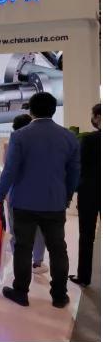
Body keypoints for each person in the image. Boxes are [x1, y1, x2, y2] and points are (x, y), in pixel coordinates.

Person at [0, 92, 80, 308]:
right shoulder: (69, 137)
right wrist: (67, 196)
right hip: (54, 203)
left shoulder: (20, 136)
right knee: (58, 249)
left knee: (23, 247)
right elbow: (74, 173)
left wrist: (0, 194)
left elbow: (10, 170)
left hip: (24, 202)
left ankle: (21, 292)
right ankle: (59, 296)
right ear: (53, 110)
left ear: (31, 111)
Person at [4, 114, 49, 274]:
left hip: (16, 193)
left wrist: (1, 192)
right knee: (39, 229)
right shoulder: (42, 143)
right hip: (39, 192)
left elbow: (8, 170)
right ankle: (37, 262)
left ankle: (19, 261)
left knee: (16, 229)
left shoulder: (10, 143)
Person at [69, 103, 101, 288]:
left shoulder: (89, 140)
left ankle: (84, 276)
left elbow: (79, 166)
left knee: (87, 235)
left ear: (98, 117)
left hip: (89, 192)